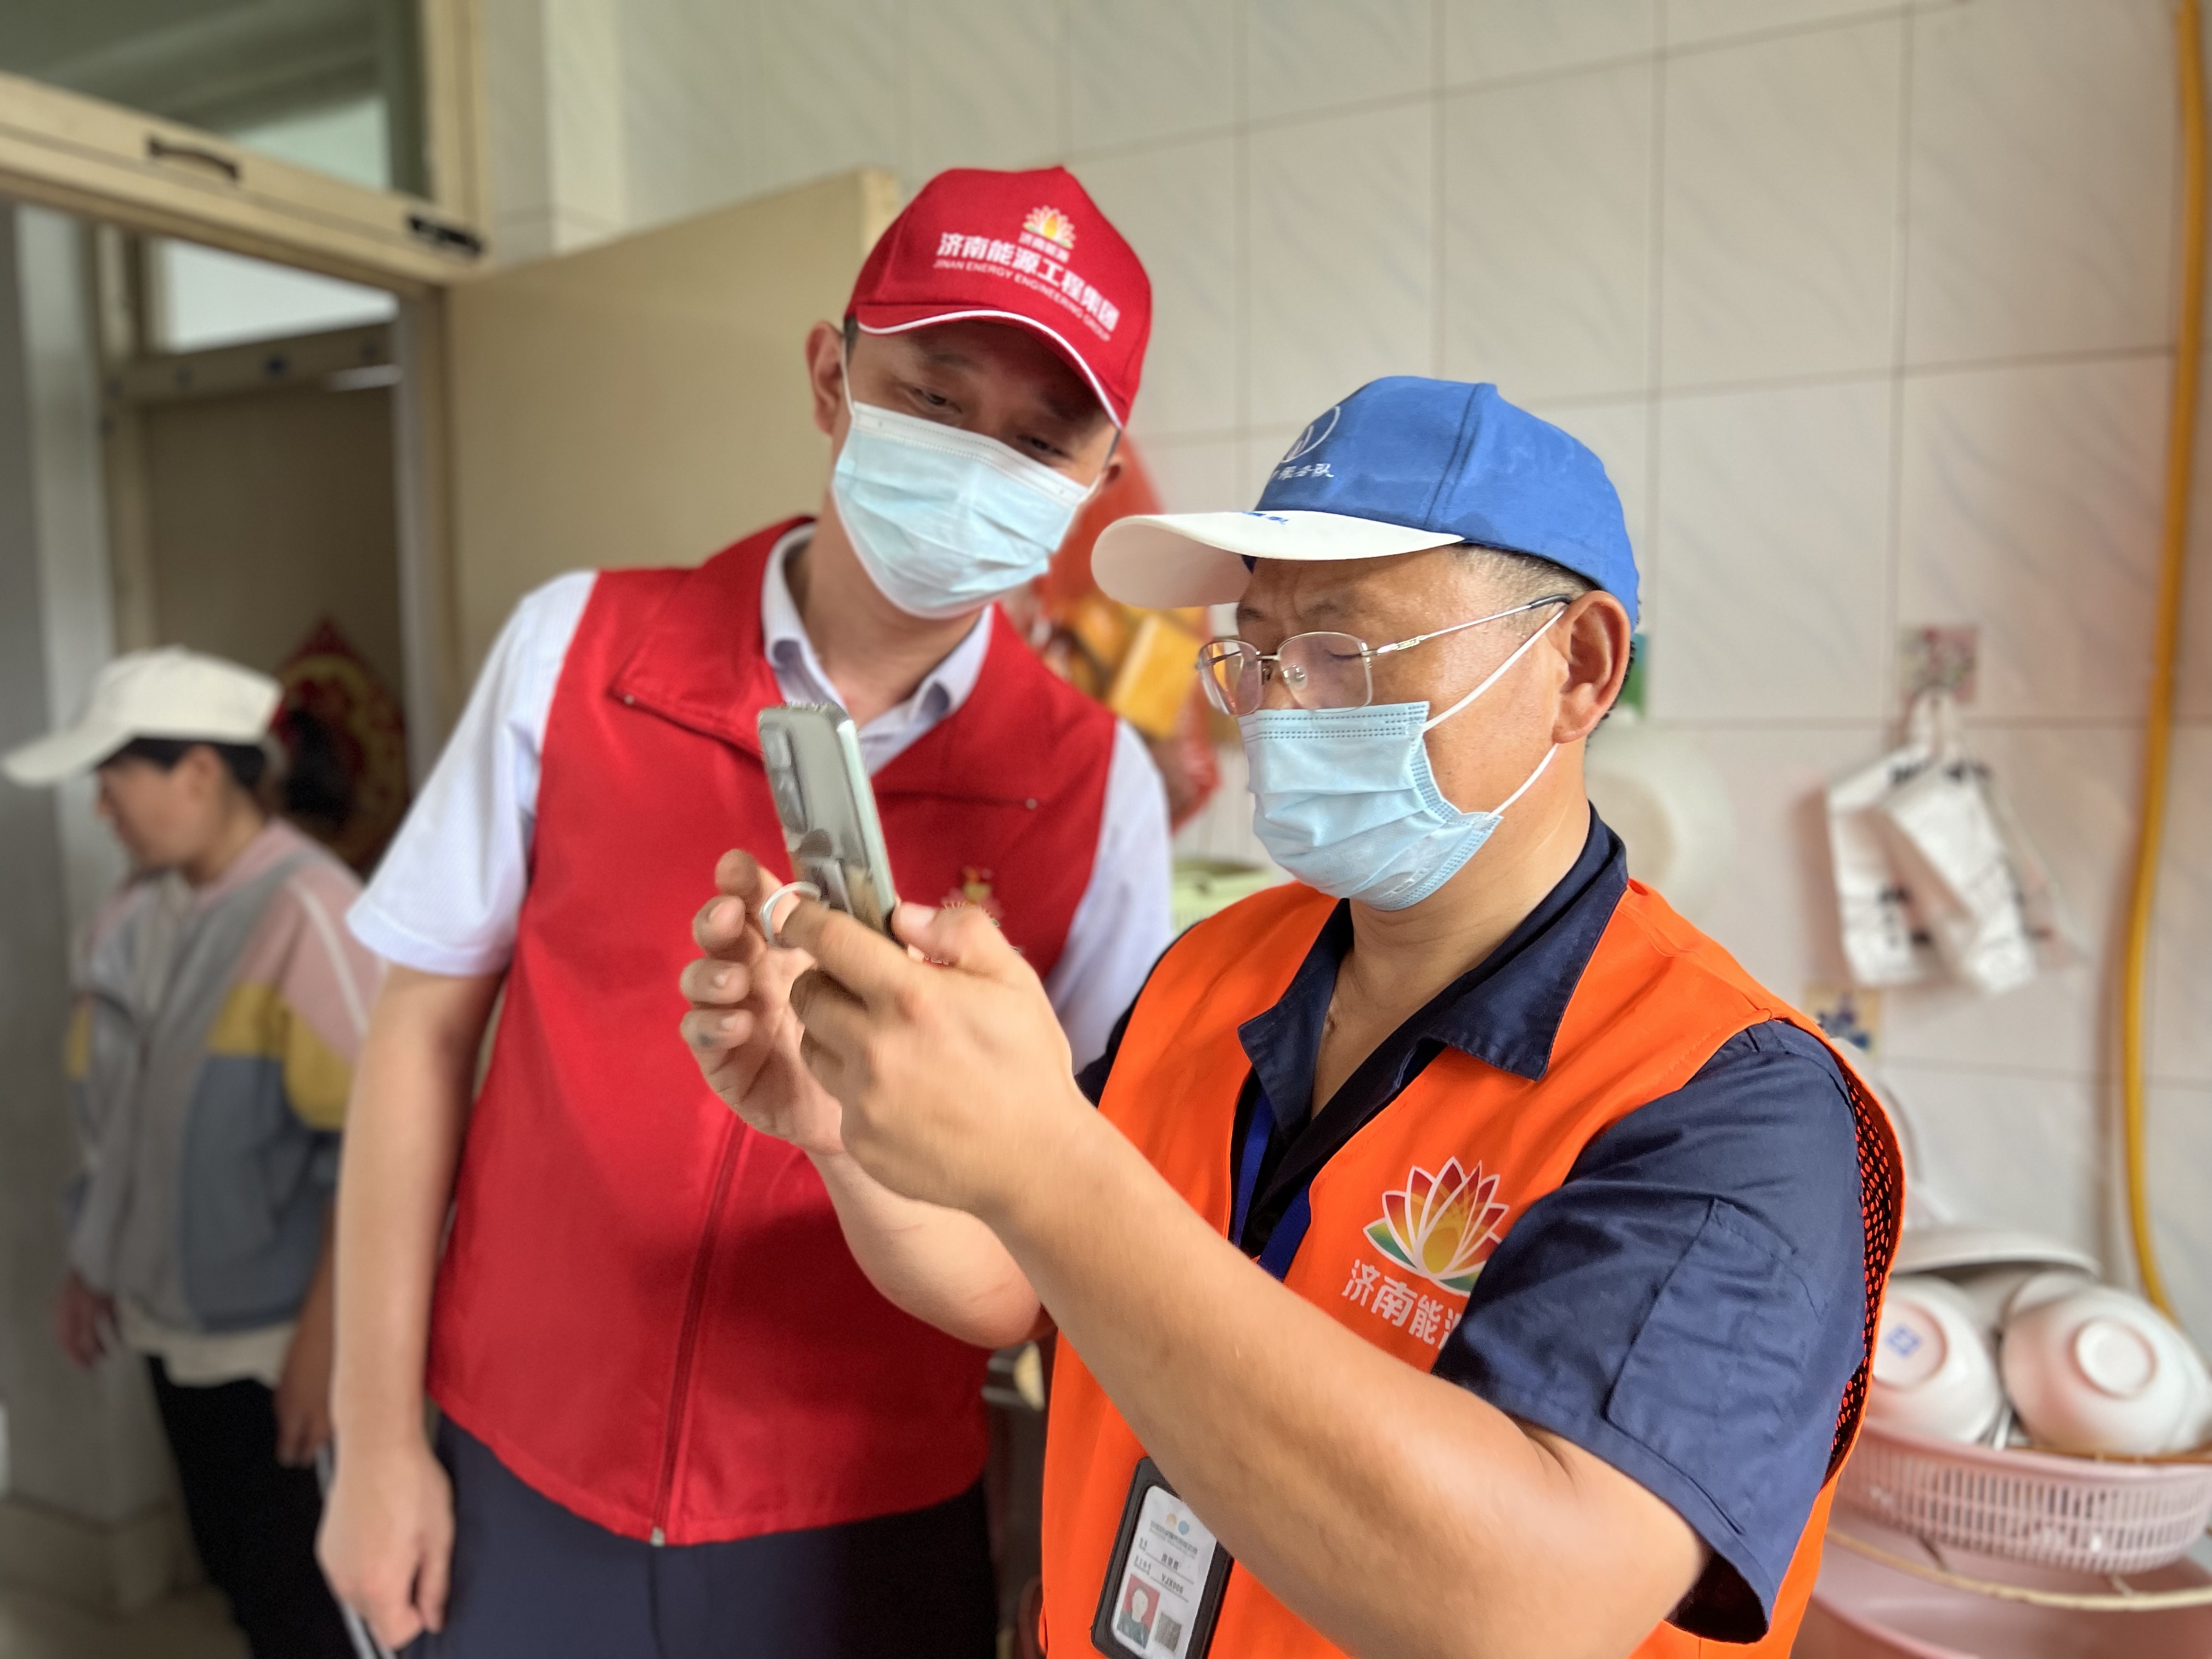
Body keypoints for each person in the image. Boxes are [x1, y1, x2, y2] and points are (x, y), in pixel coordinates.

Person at [681, 377, 1904, 1658]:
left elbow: (1520, 1605)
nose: (1279, 706)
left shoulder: (1734, 1105)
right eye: (1255, 653)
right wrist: (847, 1128)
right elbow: (1013, 1278)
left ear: (1579, 670)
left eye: (1339, 651)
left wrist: (1047, 1162)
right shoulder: (1218, 970)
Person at [320, 165, 1171, 1657]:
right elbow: (418, 1035)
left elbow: (1069, 1233)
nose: (979, 461)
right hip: (518, 1461)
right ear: (832, 379)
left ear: (1097, 481)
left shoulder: (1093, 792)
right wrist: (375, 1442)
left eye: (1040, 440)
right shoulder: (580, 652)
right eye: (936, 398)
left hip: (858, 1517)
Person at [3, 646, 377, 1659]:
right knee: (241, 1579)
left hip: (276, 1343)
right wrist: (94, 1264)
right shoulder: (128, 920)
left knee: (318, 1608)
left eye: (112, 779)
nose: (100, 809)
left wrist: (325, 1345)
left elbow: (373, 1158)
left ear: (200, 773)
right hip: (170, 1327)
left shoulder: (311, 914)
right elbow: (120, 1125)